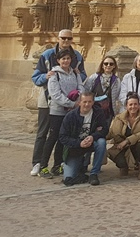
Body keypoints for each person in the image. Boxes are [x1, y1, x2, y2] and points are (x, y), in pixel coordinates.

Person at [30, 29, 86, 177]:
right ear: (58, 38)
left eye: (69, 38)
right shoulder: (47, 55)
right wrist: (45, 76)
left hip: (70, 104)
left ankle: (57, 164)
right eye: (63, 38)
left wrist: (77, 96)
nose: (66, 41)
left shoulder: (77, 56)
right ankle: (38, 163)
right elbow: (36, 77)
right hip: (49, 99)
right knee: (44, 133)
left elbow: (82, 75)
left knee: (62, 136)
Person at [40, 49, 84, 179]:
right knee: (52, 138)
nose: (66, 61)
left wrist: (77, 100)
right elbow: (55, 94)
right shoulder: (54, 75)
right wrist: (71, 104)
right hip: (57, 111)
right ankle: (43, 166)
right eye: (63, 59)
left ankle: (57, 165)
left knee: (62, 139)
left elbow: (81, 87)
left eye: (68, 58)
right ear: (58, 60)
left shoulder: (75, 74)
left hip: (71, 112)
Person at [58, 91, 108, 186]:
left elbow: (105, 129)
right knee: (69, 178)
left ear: (93, 102)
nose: (87, 104)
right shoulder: (70, 116)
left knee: (101, 142)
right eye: (84, 102)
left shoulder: (98, 113)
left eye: (89, 102)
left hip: (92, 142)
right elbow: (62, 137)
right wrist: (79, 143)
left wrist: (93, 136)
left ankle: (94, 173)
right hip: (76, 146)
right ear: (79, 102)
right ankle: (80, 166)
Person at [108, 92, 140, 180]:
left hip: (138, 145)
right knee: (110, 151)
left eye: (135, 104)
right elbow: (112, 133)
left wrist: (127, 141)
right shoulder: (118, 118)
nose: (133, 107)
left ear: (139, 105)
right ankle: (123, 166)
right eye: (130, 104)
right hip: (122, 146)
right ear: (126, 106)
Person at [83, 56, 120, 121]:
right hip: (93, 110)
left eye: (111, 64)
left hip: (108, 112)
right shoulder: (94, 77)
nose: (108, 65)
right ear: (102, 65)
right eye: (106, 63)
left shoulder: (116, 80)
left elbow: (116, 96)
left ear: (114, 66)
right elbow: (86, 91)